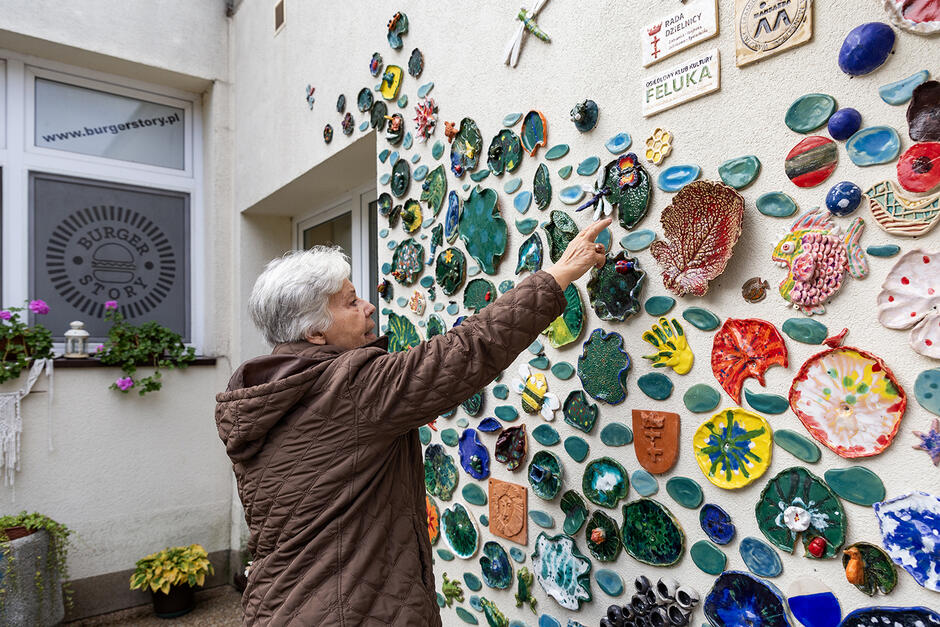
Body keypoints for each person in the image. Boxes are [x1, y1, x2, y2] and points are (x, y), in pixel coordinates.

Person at [215, 217, 613, 626]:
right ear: (315, 332)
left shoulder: (266, 395)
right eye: (351, 303)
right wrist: (559, 274)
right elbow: (467, 350)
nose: (369, 306)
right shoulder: (348, 388)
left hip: (279, 604)